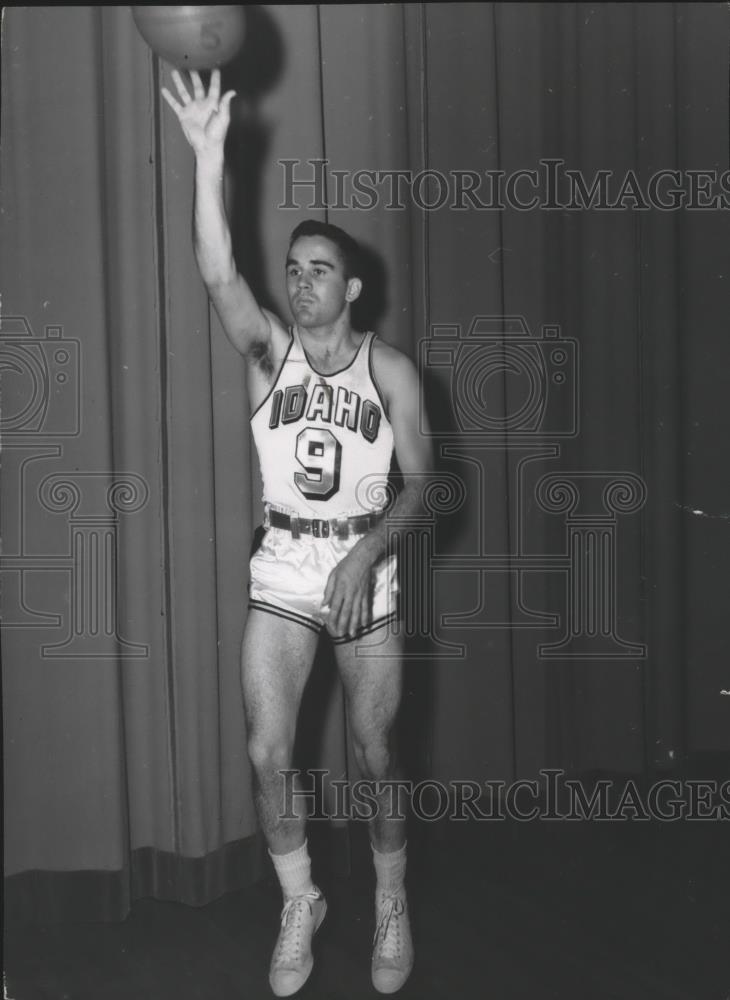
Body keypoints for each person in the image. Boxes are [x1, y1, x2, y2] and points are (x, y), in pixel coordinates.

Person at [162, 68, 432, 997]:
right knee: (268, 751)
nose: (302, 282)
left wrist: (366, 553)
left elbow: (429, 485)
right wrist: (207, 160)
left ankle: (391, 896)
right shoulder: (268, 353)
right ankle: (300, 900)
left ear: (351, 285)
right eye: (294, 269)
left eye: (320, 271)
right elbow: (216, 271)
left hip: (366, 561)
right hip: (284, 562)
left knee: (375, 752)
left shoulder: (389, 371)